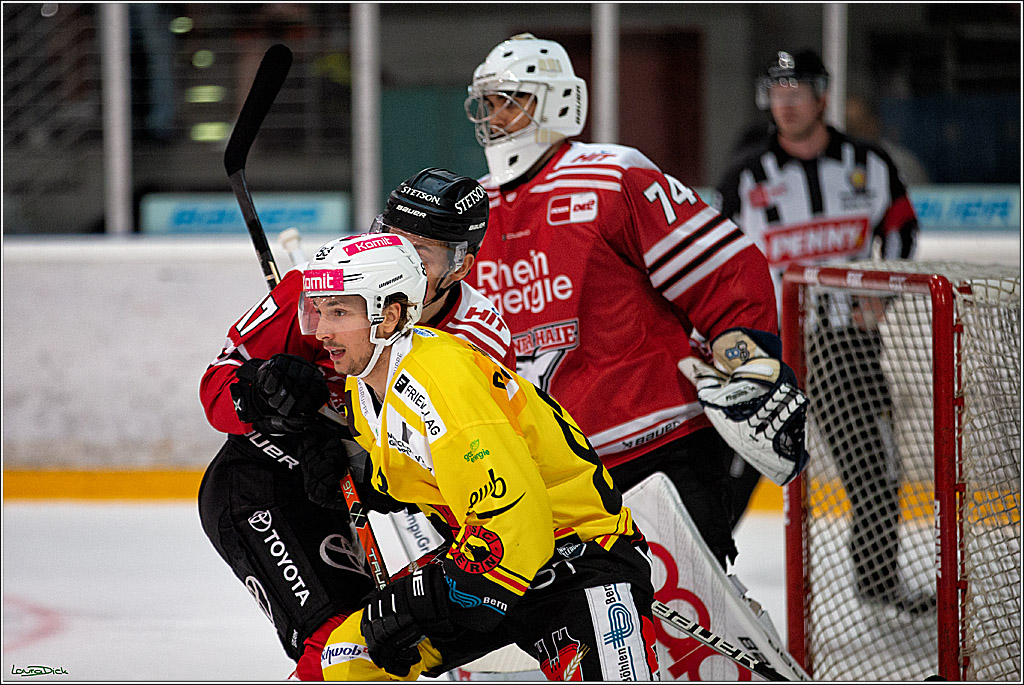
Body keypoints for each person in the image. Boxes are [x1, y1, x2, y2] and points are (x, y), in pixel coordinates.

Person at [460, 33, 808, 571]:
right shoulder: (472, 212)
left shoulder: (612, 175)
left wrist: (749, 360)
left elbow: (725, 270)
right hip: (556, 469)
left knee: (695, 625)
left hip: (662, 448)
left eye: (513, 99)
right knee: (601, 635)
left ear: (557, 102)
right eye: (490, 101)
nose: (496, 116)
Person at [297, 232, 659, 681]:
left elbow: (515, 523)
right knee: (351, 658)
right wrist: (361, 474)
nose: (321, 331)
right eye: (318, 310)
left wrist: (426, 597)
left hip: (578, 562)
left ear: (388, 317)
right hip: (495, 565)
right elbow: (421, 474)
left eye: (339, 312)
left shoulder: (440, 379)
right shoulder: (366, 383)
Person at [197, 168, 513, 678]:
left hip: (362, 491)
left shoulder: (478, 339)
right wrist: (260, 391)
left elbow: (469, 463)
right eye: (393, 241)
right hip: (267, 485)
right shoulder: (319, 288)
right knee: (338, 651)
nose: (401, 261)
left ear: (460, 267)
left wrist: (364, 466)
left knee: (382, 650)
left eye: (423, 254)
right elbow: (217, 385)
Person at [714, 49, 928, 613]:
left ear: (822, 96)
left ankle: (880, 584)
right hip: (770, 347)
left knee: (873, 466)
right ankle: (700, 575)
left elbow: (902, 227)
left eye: (795, 91)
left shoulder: (869, 162)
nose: (783, 103)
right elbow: (718, 261)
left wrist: (879, 296)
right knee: (734, 469)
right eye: (775, 91)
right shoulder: (744, 174)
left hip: (846, 345)